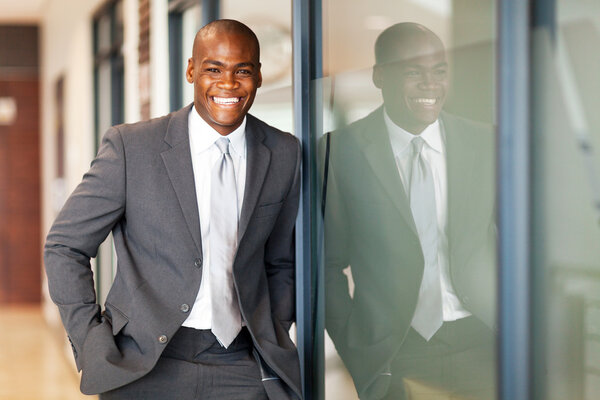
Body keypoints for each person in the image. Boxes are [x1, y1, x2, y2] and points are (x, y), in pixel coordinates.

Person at [44, 19, 301, 400]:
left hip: (242, 365)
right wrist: (92, 341)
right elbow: (65, 247)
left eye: (242, 71)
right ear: (191, 71)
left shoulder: (283, 152)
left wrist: (273, 327)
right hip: (144, 364)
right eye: (213, 69)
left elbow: (280, 260)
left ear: (259, 76)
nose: (228, 84)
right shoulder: (132, 148)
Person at [324, 22, 496, 399]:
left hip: (484, 342)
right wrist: (357, 347)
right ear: (380, 76)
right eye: (413, 72)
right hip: (397, 351)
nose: (429, 85)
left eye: (439, 72)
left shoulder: (485, 143)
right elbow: (326, 264)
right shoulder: (340, 152)